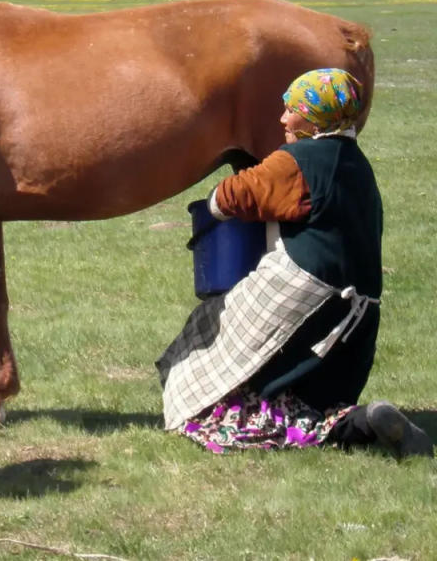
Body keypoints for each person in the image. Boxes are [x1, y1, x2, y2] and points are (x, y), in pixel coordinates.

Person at [157, 68, 433, 458]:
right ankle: (365, 422)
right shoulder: (358, 164)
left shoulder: (298, 160)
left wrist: (215, 205)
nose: (283, 119)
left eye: (292, 110)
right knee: (313, 405)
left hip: (302, 297)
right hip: (359, 317)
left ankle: (220, 413)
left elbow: (233, 196)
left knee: (203, 355)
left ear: (316, 116)